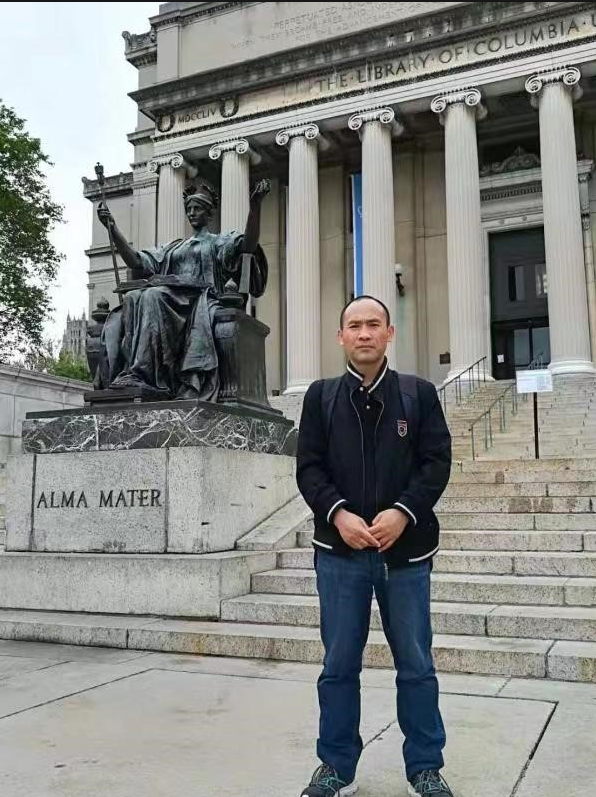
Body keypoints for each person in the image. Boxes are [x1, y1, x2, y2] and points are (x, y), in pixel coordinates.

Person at [296, 295, 453, 797]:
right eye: (354, 326)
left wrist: (402, 512)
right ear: (341, 336)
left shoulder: (418, 394)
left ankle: (425, 768)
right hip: (340, 554)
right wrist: (338, 513)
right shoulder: (320, 397)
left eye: (373, 324)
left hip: (405, 557)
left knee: (417, 665)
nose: (364, 333)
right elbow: (309, 467)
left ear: (389, 333)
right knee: (338, 667)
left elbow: (436, 462)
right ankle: (335, 767)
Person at [95, 179, 270, 400]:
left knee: (152, 295)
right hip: (172, 299)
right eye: (189, 209)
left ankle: (144, 374)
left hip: (200, 300)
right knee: (132, 296)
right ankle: (135, 373)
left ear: (210, 213)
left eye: (197, 208)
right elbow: (136, 261)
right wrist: (112, 229)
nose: (192, 213)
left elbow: (248, 246)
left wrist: (255, 207)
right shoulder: (174, 247)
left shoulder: (219, 242)